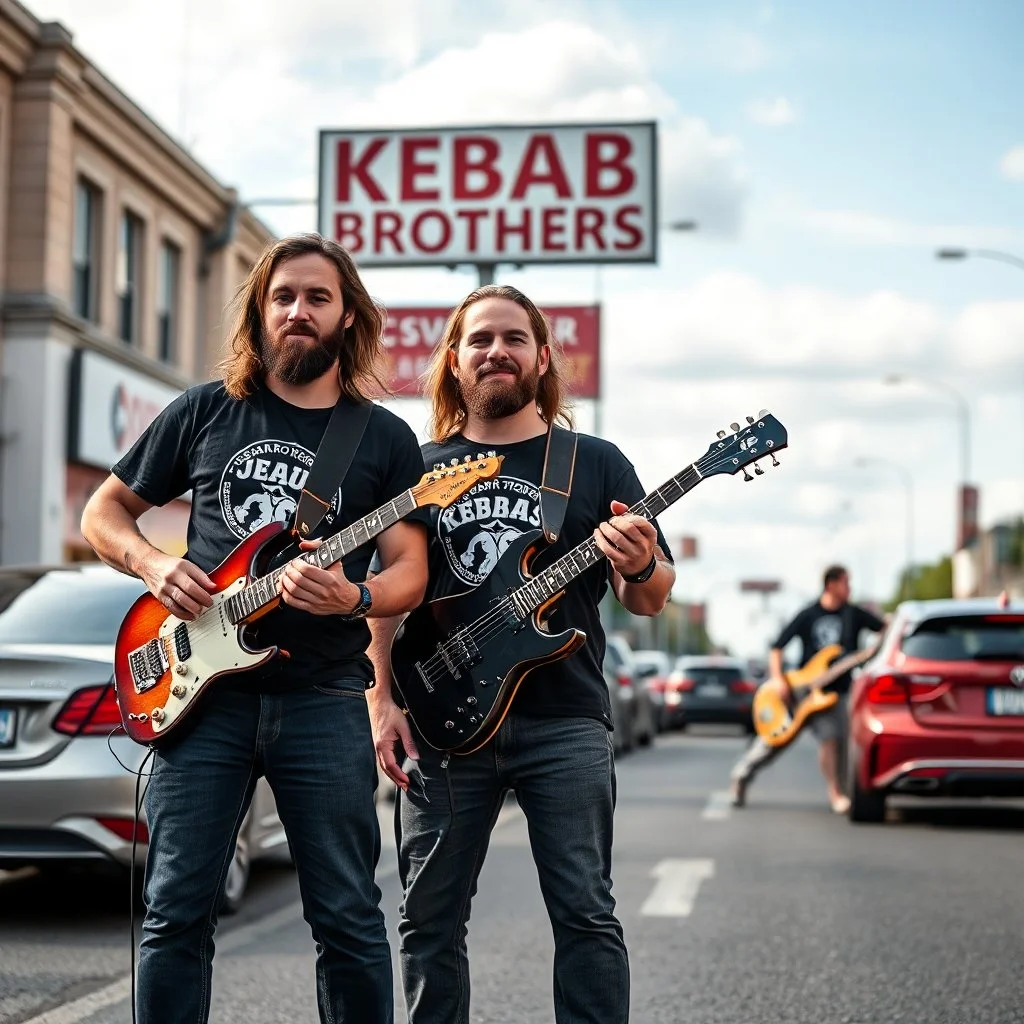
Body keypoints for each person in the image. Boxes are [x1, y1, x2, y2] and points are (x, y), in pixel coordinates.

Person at [80, 233, 430, 1024]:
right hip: (201, 699)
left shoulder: (381, 439)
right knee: (174, 916)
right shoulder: (207, 410)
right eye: (284, 297)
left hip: (324, 697)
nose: (298, 311)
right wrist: (151, 565)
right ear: (261, 312)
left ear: (348, 317)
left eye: (317, 297)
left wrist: (355, 597)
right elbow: (103, 513)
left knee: (347, 918)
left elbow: (411, 568)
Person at [366, 284, 675, 1024]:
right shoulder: (419, 468)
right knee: (427, 922)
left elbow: (651, 596)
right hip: (440, 724)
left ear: (541, 358)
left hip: (563, 719)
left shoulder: (594, 464)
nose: (495, 352)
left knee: (586, 916)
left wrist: (635, 562)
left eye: (512, 339)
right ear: (453, 359)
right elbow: (383, 597)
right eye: (479, 340)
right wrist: (380, 702)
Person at [729, 564, 885, 814]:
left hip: (834, 695)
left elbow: (885, 628)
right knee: (773, 740)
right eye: (846, 583)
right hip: (799, 691)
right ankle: (741, 776)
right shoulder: (809, 614)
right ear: (831, 584)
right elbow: (777, 647)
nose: (849, 588)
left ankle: (837, 793)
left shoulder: (853, 614)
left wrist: (878, 647)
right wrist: (779, 680)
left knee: (834, 742)